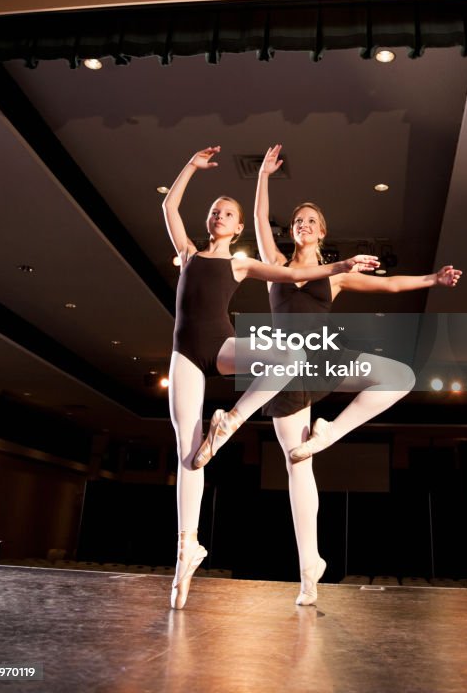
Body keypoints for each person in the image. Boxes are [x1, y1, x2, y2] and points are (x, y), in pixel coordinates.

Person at [197, 143, 463, 605]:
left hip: (322, 361)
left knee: (399, 375)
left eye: (310, 222)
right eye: (297, 221)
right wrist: (262, 176)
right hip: (282, 377)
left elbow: (389, 284)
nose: (302, 225)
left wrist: (432, 280)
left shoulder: (333, 276)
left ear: (322, 232)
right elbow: (260, 221)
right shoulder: (275, 265)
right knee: (298, 469)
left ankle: (330, 432)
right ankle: (309, 572)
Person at [163, 145, 378, 610]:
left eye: (229, 213)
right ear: (208, 221)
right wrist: (190, 167)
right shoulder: (186, 252)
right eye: (216, 211)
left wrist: (340, 266)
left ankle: (233, 419)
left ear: (239, 228)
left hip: (219, 346)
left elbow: (297, 274)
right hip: (183, 354)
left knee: (286, 356)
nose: (221, 215)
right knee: (190, 454)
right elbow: (167, 207)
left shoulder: (242, 263)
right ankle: (188, 547)